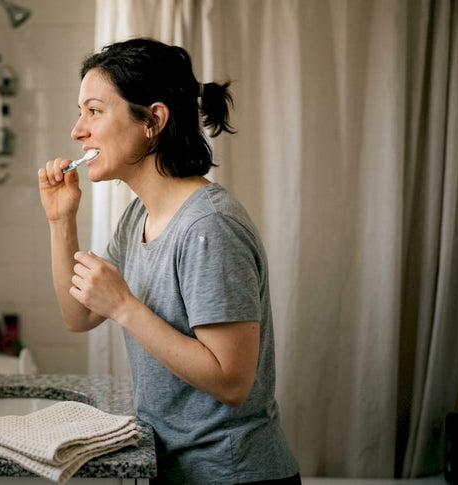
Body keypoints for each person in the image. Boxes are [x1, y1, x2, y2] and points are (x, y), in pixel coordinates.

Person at [37, 38, 301, 484]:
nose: (77, 130)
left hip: (233, 475)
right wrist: (62, 222)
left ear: (153, 120)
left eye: (95, 111)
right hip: (176, 468)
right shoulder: (139, 214)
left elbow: (232, 382)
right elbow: (79, 315)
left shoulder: (208, 227)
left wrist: (125, 307)